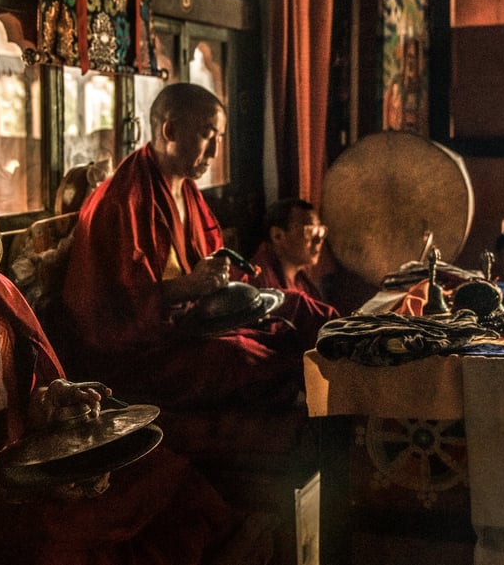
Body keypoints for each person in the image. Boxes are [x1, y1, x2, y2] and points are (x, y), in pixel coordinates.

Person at [0, 168, 240, 565]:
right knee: (55, 542)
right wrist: (29, 487)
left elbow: (24, 395)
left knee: (167, 474)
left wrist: (52, 402)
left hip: (26, 471)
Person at [62, 83, 331, 409]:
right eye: (208, 135)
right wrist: (189, 286)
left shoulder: (186, 190)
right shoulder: (121, 202)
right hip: (139, 354)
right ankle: (318, 419)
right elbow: (113, 313)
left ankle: (363, 358)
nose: (216, 152)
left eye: (219, 138)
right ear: (170, 130)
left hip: (192, 327)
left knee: (298, 308)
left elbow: (213, 267)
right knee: (239, 355)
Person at [249, 197, 339, 317]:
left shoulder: (302, 281)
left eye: (320, 231)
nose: (319, 240)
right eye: (310, 231)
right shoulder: (259, 283)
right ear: (278, 236)